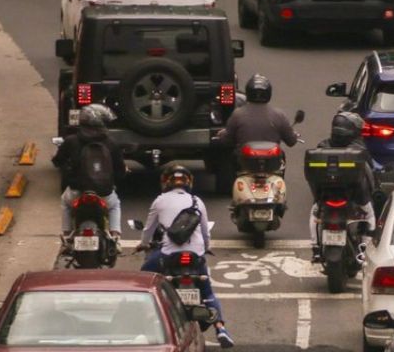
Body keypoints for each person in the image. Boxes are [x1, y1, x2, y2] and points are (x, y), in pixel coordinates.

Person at [137, 165, 234, 348]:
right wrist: (205, 248)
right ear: (189, 182)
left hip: (168, 256)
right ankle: (221, 329)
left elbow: (148, 230)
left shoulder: (159, 201)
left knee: (145, 276)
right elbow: (205, 232)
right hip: (195, 255)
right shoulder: (197, 201)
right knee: (207, 291)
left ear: (166, 182)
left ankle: (145, 320)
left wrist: (143, 244)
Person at [308, 110, 378, 263]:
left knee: (315, 213)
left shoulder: (322, 147)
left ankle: (315, 248)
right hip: (355, 197)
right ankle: (365, 249)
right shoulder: (359, 150)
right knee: (370, 216)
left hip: (325, 196)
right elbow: (370, 174)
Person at [52, 104, 126, 236]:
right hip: (104, 192)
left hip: (77, 190)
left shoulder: (71, 141)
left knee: (65, 203)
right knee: (115, 206)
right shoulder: (111, 143)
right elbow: (120, 170)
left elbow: (57, 161)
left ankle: (67, 233)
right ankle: (115, 236)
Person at [214, 74, 298, 150]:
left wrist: (222, 135)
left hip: (245, 161)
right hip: (271, 163)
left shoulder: (237, 114)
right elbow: (291, 141)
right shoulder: (279, 115)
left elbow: (227, 141)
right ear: (269, 93)